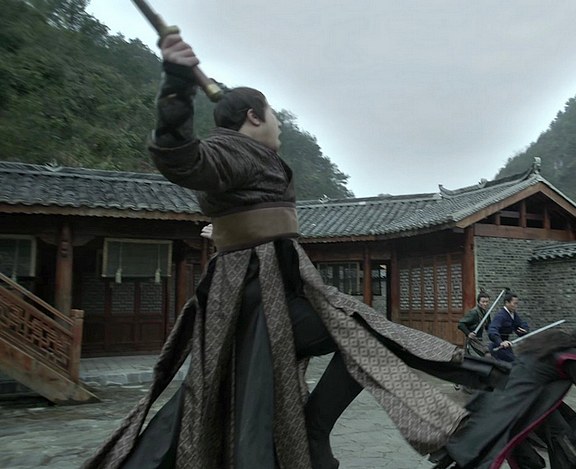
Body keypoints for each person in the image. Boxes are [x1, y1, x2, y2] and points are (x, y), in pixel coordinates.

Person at [84, 34, 504, 469]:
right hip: (255, 297)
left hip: (267, 289)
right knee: (356, 332)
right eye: (273, 115)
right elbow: (180, 158)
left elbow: (238, 211)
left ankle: (325, 430)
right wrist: (175, 80)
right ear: (253, 116)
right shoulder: (234, 149)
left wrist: (229, 231)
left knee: (341, 340)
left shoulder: (245, 157)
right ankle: (326, 429)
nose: (279, 125)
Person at [432, 326, 576, 469]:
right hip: (521, 406)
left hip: (506, 399)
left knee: (561, 431)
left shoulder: (546, 348)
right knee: (559, 437)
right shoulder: (571, 357)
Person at [487, 292, 529, 363]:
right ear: (507, 303)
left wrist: (525, 330)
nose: (516, 306)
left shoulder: (513, 314)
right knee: (513, 363)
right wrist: (500, 342)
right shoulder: (501, 315)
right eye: (514, 303)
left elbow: (521, 324)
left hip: (507, 345)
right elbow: (492, 330)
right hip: (498, 346)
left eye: (517, 304)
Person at [458, 292, 491, 357]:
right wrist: (468, 333)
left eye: (487, 302)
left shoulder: (486, 313)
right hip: (472, 341)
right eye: (483, 302)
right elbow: (461, 324)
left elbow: (488, 326)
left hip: (480, 340)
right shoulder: (474, 313)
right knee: (479, 357)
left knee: (488, 354)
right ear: (478, 302)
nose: (485, 304)